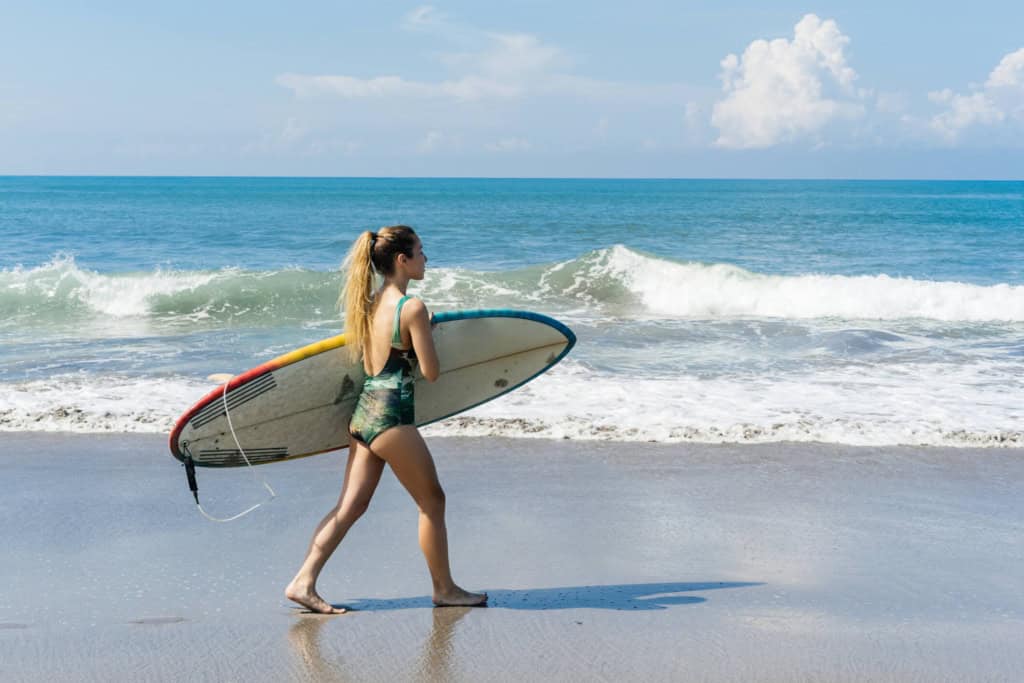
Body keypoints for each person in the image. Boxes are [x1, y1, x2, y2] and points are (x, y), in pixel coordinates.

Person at [285, 225, 487, 614]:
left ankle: (303, 581)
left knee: (351, 506)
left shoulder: (372, 302)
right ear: (402, 260)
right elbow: (430, 372)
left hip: (365, 412)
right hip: (393, 415)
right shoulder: (411, 308)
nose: (426, 259)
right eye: (421, 251)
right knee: (433, 501)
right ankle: (444, 589)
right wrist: (428, 331)